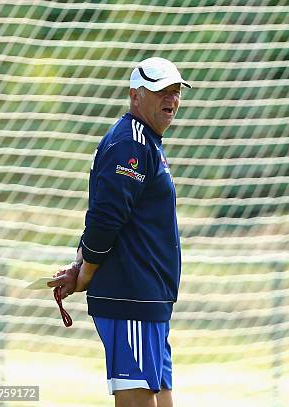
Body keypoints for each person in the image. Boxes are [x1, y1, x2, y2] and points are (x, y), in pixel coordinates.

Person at [49, 57, 191, 407]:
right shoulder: (131, 144)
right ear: (135, 96)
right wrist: (86, 272)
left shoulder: (146, 142)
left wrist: (81, 263)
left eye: (175, 91)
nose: (170, 99)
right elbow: (106, 219)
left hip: (149, 300)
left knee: (162, 396)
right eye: (160, 91)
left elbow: (106, 215)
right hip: (132, 298)